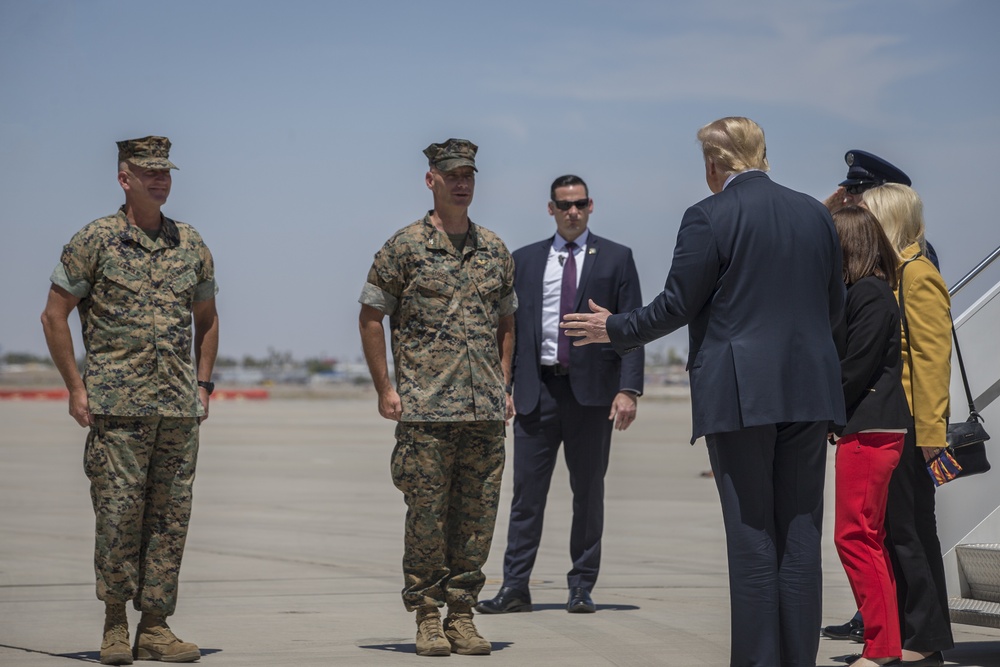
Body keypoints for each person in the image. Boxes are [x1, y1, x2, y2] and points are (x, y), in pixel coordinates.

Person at [561, 116, 846, 666]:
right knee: (801, 537)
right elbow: (833, 308)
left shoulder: (708, 215)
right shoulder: (815, 213)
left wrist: (613, 328)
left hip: (740, 395)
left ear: (714, 164)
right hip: (810, 392)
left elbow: (676, 304)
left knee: (752, 539)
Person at [40, 136, 219, 665]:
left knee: (169, 518)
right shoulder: (94, 240)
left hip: (178, 410)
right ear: (125, 178)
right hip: (117, 409)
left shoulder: (190, 242)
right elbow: (55, 315)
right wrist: (77, 388)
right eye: (148, 172)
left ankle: (157, 627)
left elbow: (206, 320)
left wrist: (203, 386)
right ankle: (116, 625)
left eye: (165, 172)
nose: (159, 180)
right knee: (118, 515)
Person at [358, 138, 516, 657]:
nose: (462, 182)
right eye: (452, 174)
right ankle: (427, 614)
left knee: (477, 516)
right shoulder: (404, 247)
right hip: (427, 410)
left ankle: (463, 613)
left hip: (485, 410)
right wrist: (386, 388)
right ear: (432, 180)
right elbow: (371, 315)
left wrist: (504, 382)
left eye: (469, 173)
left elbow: (507, 319)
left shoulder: (494, 249)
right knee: (426, 515)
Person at [476, 175, 644, 616]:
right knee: (525, 496)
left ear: (591, 206)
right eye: (564, 205)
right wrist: (505, 386)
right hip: (537, 393)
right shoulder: (525, 260)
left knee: (588, 493)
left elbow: (632, 330)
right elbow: (505, 330)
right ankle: (515, 587)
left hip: (592, 397)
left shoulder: (617, 259)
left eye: (580, 204)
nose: (573, 211)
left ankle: (581, 586)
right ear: (550, 209)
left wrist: (628, 389)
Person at [862, 184, 954, 667]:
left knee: (910, 533)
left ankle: (925, 640)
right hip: (899, 424)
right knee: (899, 531)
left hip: (915, 428)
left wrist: (932, 436)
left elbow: (932, 360)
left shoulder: (918, 276)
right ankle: (917, 634)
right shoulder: (896, 274)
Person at [830, 206, 912, 667]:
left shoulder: (870, 293)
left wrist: (823, 415)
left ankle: (882, 649)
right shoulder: (866, 292)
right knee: (866, 536)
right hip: (870, 426)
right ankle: (883, 643)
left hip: (870, 426)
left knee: (856, 536)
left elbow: (854, 368)